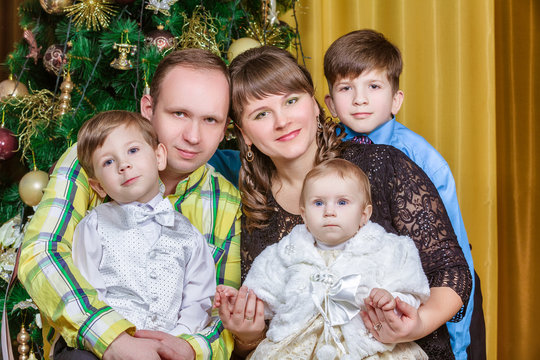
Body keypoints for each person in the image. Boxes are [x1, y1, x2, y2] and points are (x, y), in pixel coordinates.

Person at [216, 45, 471, 360]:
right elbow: (264, 328)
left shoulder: (383, 166)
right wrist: (247, 336)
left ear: (314, 104)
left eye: (291, 101)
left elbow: (451, 271)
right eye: (261, 114)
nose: (281, 121)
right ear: (245, 134)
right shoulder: (253, 210)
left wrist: (416, 324)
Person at [17, 49, 242, 360]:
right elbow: (41, 251)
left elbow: (219, 309)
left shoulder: (226, 201)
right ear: (148, 108)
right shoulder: (96, 162)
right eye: (179, 114)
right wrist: (113, 341)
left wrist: (190, 348)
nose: (193, 136)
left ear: (224, 127)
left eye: (210, 120)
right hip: (91, 347)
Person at [322, 29, 482, 360]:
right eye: (346, 88)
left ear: (397, 99)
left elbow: (457, 260)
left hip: (434, 296)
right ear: (329, 102)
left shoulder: (423, 160)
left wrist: (458, 345)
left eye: (374, 86)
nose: (360, 99)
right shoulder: (323, 150)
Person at [216, 158, 430, 359]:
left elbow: (411, 292)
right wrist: (240, 302)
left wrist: (390, 301)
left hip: (367, 345)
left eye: (342, 202)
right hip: (297, 343)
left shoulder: (388, 249)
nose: (329, 211)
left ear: (364, 214)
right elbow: (263, 295)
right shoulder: (286, 253)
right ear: (304, 215)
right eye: (318, 203)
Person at [51, 110, 217, 360]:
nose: (123, 165)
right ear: (98, 185)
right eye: (108, 162)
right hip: (107, 347)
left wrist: (178, 339)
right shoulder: (94, 225)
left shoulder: (189, 236)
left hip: (165, 348)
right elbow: (88, 288)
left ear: (159, 156)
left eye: (133, 151)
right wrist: (115, 339)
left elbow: (199, 298)